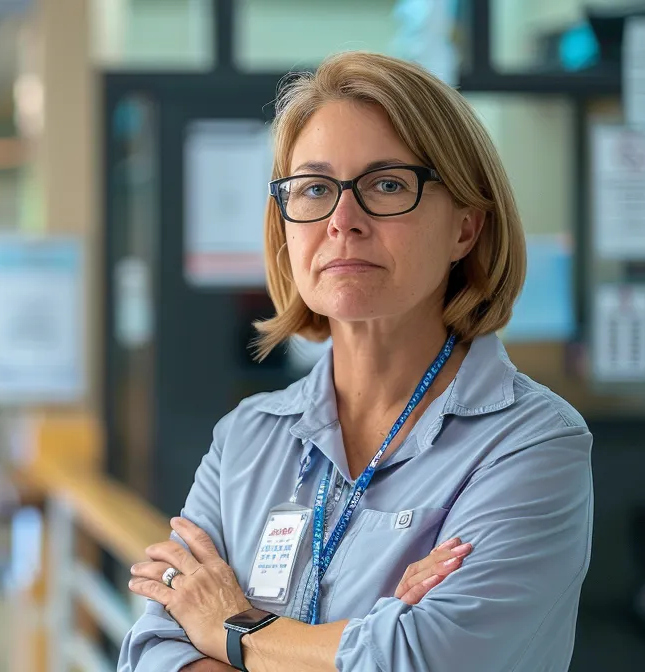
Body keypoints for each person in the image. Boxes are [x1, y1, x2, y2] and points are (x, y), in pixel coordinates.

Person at [117, 51, 593, 672]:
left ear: (466, 229)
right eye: (314, 189)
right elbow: (151, 652)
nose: (344, 221)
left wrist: (236, 629)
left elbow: (428, 661)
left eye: (388, 184)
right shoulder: (246, 439)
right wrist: (370, 637)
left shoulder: (531, 444)